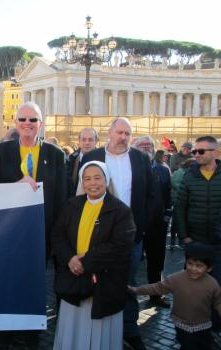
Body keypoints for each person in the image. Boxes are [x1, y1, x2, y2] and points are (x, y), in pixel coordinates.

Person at [0, 102, 66, 349]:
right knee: (7, 280)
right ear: (16, 123)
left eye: (33, 120)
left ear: (40, 124)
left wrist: (56, 237)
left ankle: (29, 328)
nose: (28, 124)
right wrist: (16, 185)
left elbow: (61, 198)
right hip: (8, 232)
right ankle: (7, 327)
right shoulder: (2, 151)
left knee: (33, 282)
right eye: (23, 119)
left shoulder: (55, 155)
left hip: (40, 233)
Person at [81, 117, 155, 350]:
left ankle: (130, 330)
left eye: (127, 133)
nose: (123, 137)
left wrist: (141, 227)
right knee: (94, 280)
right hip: (96, 234)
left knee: (128, 283)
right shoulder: (91, 157)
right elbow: (78, 196)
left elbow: (152, 196)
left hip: (130, 236)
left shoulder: (141, 159)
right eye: (120, 132)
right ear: (110, 133)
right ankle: (95, 330)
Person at [52, 161, 135, 350]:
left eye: (97, 177)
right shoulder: (72, 205)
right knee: (73, 329)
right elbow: (58, 235)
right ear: (82, 182)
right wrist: (70, 259)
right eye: (87, 179)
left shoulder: (121, 210)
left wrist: (85, 263)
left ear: (106, 180)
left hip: (104, 282)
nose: (92, 183)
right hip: (74, 277)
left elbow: (119, 246)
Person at [130, 243, 221, 350]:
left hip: (203, 326)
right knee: (187, 345)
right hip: (181, 326)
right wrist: (136, 290)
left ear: (209, 268)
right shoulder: (177, 279)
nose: (193, 268)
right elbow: (157, 288)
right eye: (190, 264)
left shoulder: (212, 284)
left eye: (199, 266)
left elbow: (218, 302)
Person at [174, 135, 221, 329]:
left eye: (201, 151)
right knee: (193, 287)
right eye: (194, 151)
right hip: (195, 240)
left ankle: (215, 326)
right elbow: (180, 207)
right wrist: (185, 237)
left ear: (215, 153)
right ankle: (191, 326)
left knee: (217, 286)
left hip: (219, 242)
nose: (196, 154)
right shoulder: (189, 175)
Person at [133, 136, 172, 308]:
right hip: (133, 224)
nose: (146, 148)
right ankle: (128, 296)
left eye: (149, 145)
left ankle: (156, 294)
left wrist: (166, 217)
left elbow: (168, 196)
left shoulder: (163, 170)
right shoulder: (130, 168)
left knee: (156, 261)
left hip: (157, 225)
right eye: (142, 145)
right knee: (130, 262)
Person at [67, 128, 99, 197]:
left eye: (90, 140)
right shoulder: (70, 160)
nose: (87, 143)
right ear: (79, 141)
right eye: (84, 139)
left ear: (96, 141)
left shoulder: (103, 159)